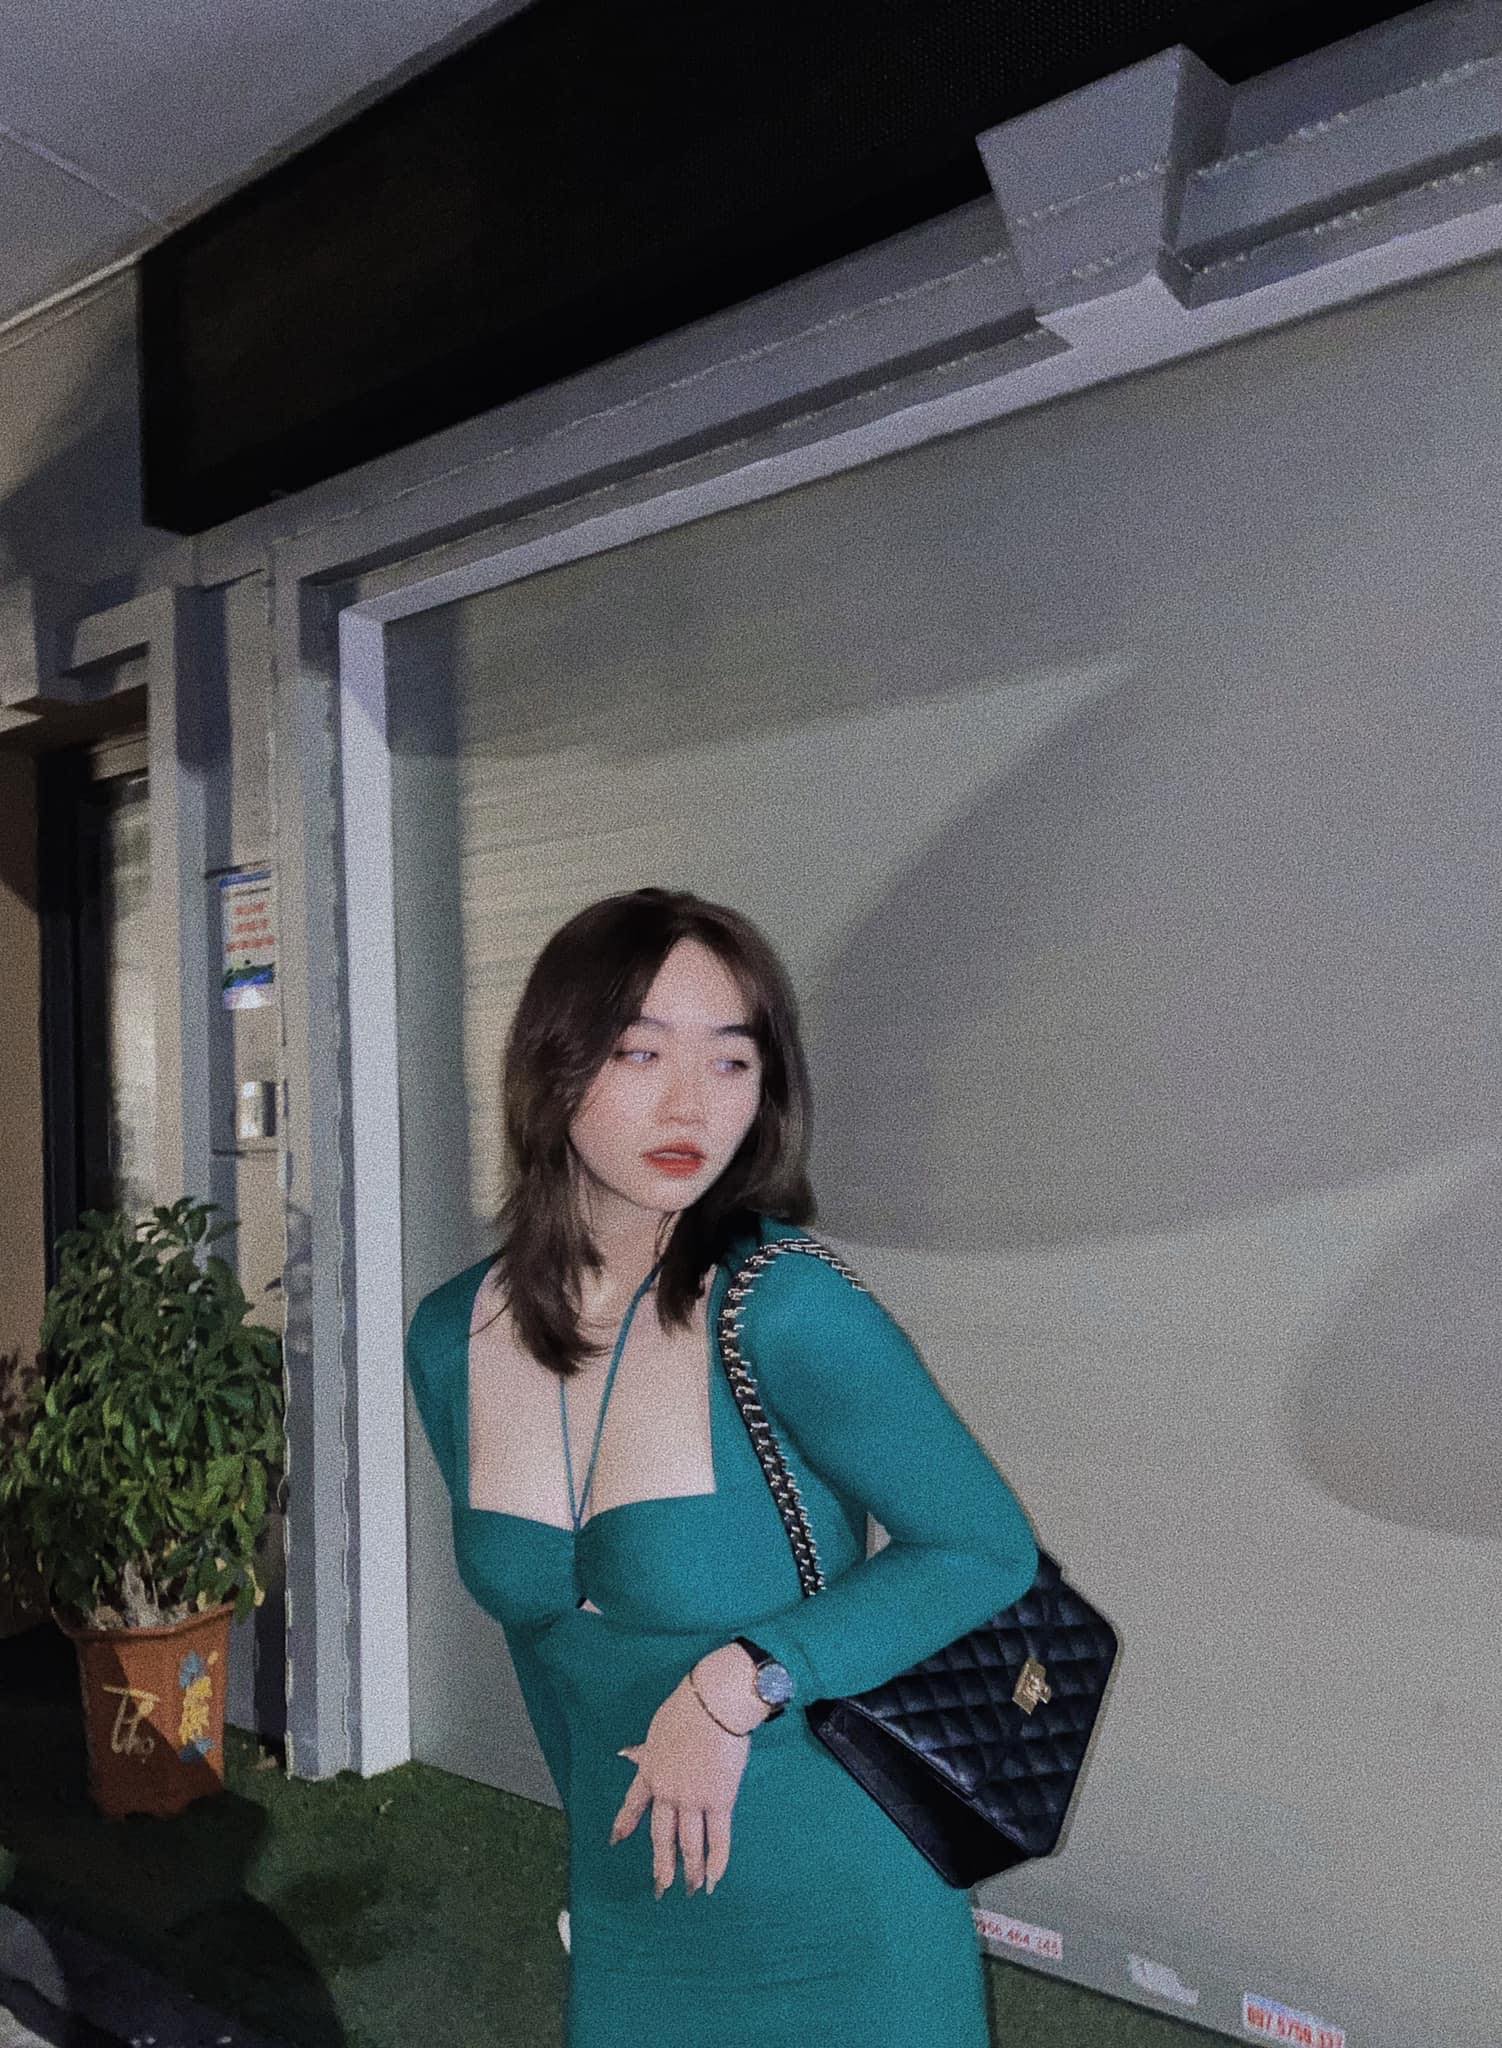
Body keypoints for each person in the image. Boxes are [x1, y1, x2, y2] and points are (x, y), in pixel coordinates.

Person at [404, 886, 1040, 2047]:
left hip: (841, 1902)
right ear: (553, 1062)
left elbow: (980, 1548)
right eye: (640, 1051)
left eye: (732, 1060)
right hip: (631, 1907)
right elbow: (538, 1646)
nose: (691, 1102)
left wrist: (739, 1678)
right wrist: (595, 1857)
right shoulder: (450, 1337)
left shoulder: (783, 1306)